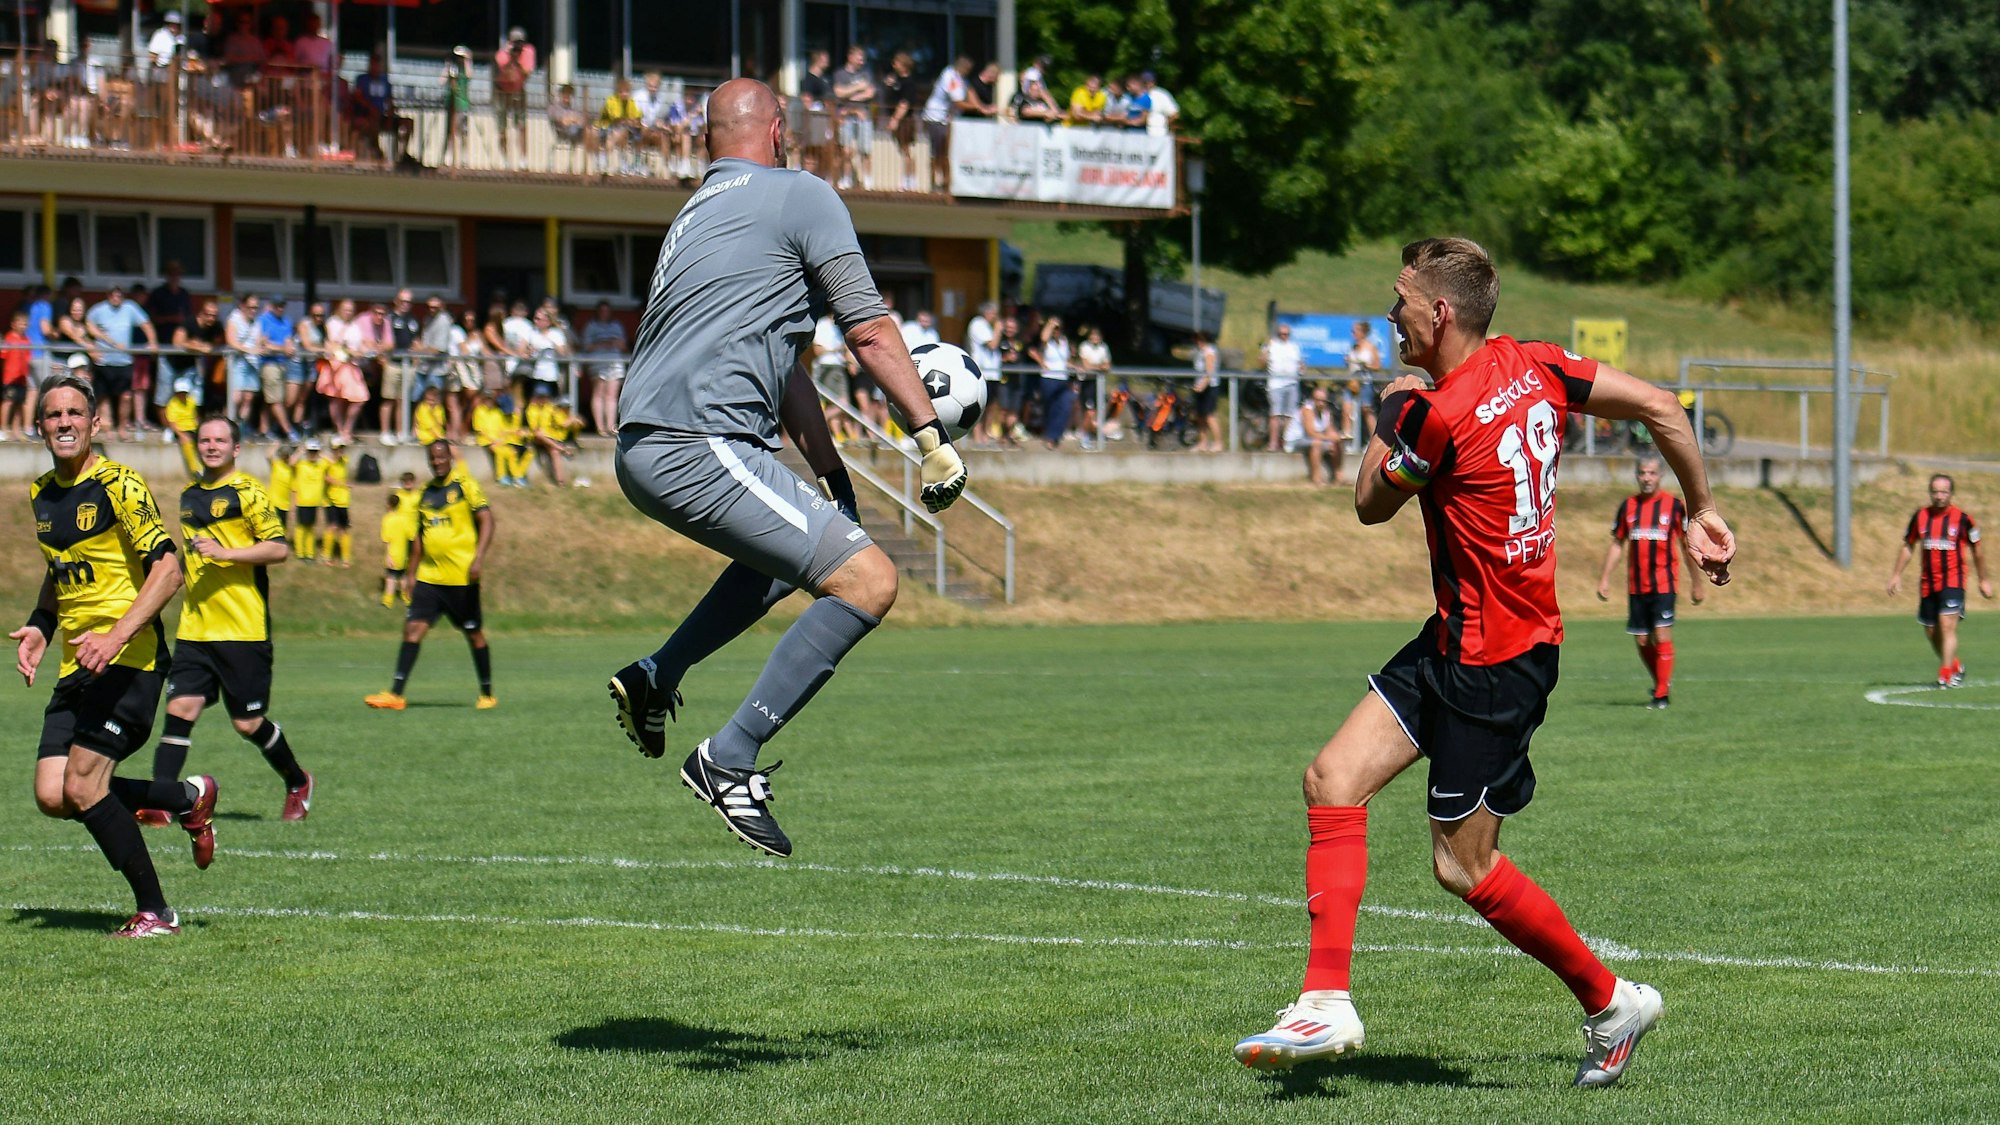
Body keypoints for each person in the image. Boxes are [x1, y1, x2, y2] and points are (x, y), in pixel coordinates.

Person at [1232, 237, 1736, 1088]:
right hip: (1460, 636)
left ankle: (1613, 1001)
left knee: (1462, 866)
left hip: (1494, 663)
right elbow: (1659, 405)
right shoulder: (1537, 364)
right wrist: (1703, 509)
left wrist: (1391, 411)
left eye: (1399, 299)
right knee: (1332, 779)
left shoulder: (1438, 413)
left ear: (1439, 312)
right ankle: (1325, 996)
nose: (1388, 313)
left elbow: (1367, 504)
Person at [606, 78, 966, 859]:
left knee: (790, 562)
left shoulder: (699, 213)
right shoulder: (801, 195)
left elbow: (788, 371)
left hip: (651, 444)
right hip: (696, 439)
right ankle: (727, 758)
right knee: (868, 581)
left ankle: (656, 675)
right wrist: (930, 434)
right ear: (777, 133)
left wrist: (832, 477)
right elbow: (869, 331)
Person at [13, 372, 203, 937]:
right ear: (40, 426)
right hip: (80, 663)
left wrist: (115, 635)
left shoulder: (121, 485)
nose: (64, 423)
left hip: (130, 659)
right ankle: (185, 797)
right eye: (53, 415)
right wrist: (41, 625)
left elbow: (171, 570)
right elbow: (59, 572)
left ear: (95, 424)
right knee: (54, 794)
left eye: (75, 413)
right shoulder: (42, 493)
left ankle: (157, 912)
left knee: (84, 785)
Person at [158, 416, 314, 822]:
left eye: (220, 440)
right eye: (205, 439)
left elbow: (279, 549)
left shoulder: (249, 492)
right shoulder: (189, 495)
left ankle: (298, 781)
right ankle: (161, 803)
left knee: (247, 723)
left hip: (242, 628)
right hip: (196, 626)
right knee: (181, 708)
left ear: (236, 448)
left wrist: (227, 554)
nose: (211, 446)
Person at [365, 441, 496, 710]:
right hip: (429, 578)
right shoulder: (424, 494)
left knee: (474, 634)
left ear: (449, 457)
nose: (437, 462)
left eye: (441, 457)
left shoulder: (464, 485)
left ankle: (487, 694)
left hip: (461, 578)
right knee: (412, 630)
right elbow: (419, 540)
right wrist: (411, 575)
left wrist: (479, 558)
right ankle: (396, 695)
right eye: (432, 459)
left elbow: (487, 520)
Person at [1595, 455, 1705, 706]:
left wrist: (1696, 583)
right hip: (1636, 586)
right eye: (1643, 473)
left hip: (1664, 584)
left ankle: (1661, 695)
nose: (1647, 478)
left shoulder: (1674, 506)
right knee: (1642, 640)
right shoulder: (1628, 506)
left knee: (1662, 635)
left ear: (1660, 476)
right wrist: (1604, 579)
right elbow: (1617, 544)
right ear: (1637, 475)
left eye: (1652, 473)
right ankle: (1661, 682)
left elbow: (1686, 545)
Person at [1887, 474, 1993, 687]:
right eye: (1935, 491)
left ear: (1951, 494)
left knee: (1947, 626)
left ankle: (1946, 675)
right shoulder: (1920, 517)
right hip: (1928, 583)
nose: (1939, 496)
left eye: (1944, 492)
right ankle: (1954, 664)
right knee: (1931, 631)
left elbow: (1977, 550)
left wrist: (1983, 580)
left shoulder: (1964, 519)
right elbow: (1908, 545)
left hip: (1953, 580)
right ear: (1930, 493)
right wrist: (1896, 574)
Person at [86, 286, 159, 441]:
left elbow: (146, 324)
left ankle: (122, 427)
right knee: (103, 396)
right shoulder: (99, 309)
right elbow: (88, 326)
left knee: (126, 396)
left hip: (124, 360)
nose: (115, 296)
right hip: (104, 361)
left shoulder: (130, 308)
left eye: (118, 294)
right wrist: (95, 345)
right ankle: (108, 427)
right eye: (112, 293)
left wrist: (152, 342)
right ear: (108, 295)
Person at [920, 55, 976, 192]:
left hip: (944, 119)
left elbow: (969, 92)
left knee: (944, 152)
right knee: (937, 151)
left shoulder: (959, 78)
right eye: (967, 70)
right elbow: (958, 102)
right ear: (962, 68)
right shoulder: (951, 76)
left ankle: (944, 183)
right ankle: (935, 182)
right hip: (935, 117)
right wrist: (977, 107)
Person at [831, 46, 877, 190]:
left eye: (863, 58)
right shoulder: (840, 74)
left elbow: (870, 92)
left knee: (866, 150)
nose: (861, 61)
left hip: (864, 116)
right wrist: (858, 88)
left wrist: (850, 94)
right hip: (846, 117)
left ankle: (868, 180)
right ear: (850, 57)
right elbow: (838, 93)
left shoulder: (866, 74)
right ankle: (846, 178)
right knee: (846, 149)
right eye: (859, 57)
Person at [581, 301, 628, 434]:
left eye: (606, 311)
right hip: (598, 362)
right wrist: (603, 343)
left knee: (612, 396)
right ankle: (600, 427)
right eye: (602, 311)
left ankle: (611, 426)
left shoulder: (617, 325)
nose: (604, 313)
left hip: (615, 361)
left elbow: (624, 346)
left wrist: (615, 343)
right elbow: (586, 346)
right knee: (599, 393)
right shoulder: (591, 326)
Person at [493, 28, 536, 169]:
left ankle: (523, 160)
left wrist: (517, 62)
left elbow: (527, 73)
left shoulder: (528, 52)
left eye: (521, 42)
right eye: (515, 42)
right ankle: (505, 159)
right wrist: (510, 56)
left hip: (518, 89)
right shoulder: (502, 53)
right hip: (501, 91)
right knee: (502, 127)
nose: (518, 46)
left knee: (521, 125)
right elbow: (502, 71)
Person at [1030, 315, 1075, 449]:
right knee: (1050, 408)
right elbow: (1043, 338)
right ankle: (1049, 436)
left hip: (1062, 378)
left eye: (1058, 328)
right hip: (1049, 378)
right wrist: (1050, 324)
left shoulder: (1064, 341)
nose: (1057, 331)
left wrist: (1074, 366)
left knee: (1064, 407)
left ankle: (1055, 435)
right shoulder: (1047, 342)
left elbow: (1065, 360)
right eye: (1055, 329)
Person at [380, 470, 421, 607]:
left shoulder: (418, 496)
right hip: (401, 534)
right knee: (401, 569)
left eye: (410, 481)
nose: (408, 484)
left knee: (410, 567)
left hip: (413, 533)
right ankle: (402, 596)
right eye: (405, 481)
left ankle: (407, 595)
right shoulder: (399, 495)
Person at [1260, 321, 1302, 453]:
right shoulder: (1272, 345)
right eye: (1282, 334)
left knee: (1289, 414)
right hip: (1275, 384)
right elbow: (1262, 363)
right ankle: (1273, 443)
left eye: (1287, 334)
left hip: (1292, 383)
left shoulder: (1294, 347)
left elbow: (1300, 363)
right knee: (1276, 414)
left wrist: (1301, 368)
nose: (1284, 336)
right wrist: (1266, 350)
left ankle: (1286, 442)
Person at [596, 76, 645, 175]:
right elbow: (616, 119)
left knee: (639, 132)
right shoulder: (611, 100)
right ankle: (604, 160)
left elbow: (638, 118)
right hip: (604, 127)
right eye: (622, 91)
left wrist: (632, 121)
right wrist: (629, 121)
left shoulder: (631, 102)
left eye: (627, 91)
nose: (625, 94)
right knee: (619, 133)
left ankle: (635, 163)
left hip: (622, 130)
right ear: (618, 92)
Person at [289, 440, 329, 560]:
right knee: (301, 527)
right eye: (311, 452)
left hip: (314, 502)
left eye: (314, 452)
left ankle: (310, 553)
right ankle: (300, 552)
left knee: (311, 528)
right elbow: (291, 462)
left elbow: (332, 461)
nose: (313, 454)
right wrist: (300, 451)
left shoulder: (321, 465)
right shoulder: (301, 464)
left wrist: (320, 452)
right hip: (302, 502)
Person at [1347, 319, 1383, 436]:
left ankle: (1375, 437)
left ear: (1362, 332)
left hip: (1366, 381)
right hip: (1353, 381)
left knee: (1366, 409)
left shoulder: (1371, 347)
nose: (1353, 334)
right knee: (1348, 407)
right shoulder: (1353, 347)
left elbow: (1377, 365)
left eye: (1355, 331)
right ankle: (1348, 436)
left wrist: (1366, 365)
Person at [322, 440, 353, 567]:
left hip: (343, 500)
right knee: (333, 526)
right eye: (337, 449)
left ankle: (346, 558)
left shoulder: (344, 460)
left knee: (344, 528)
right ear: (332, 450)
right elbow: (325, 477)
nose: (340, 452)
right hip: (330, 500)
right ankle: (326, 556)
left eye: (341, 449)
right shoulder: (326, 462)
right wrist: (341, 484)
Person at [1191, 331, 1223, 453]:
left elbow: (1210, 371)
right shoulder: (1200, 351)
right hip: (1200, 386)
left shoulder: (1210, 351)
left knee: (1210, 416)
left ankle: (1218, 443)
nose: (1198, 342)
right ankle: (1202, 442)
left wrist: (1202, 385)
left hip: (1210, 387)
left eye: (1201, 340)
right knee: (1200, 416)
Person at [2, 310, 30, 440]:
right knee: (8, 402)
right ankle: (3, 428)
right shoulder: (9, 338)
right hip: (10, 377)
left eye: (25, 324)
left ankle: (16, 429)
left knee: (19, 404)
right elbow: (3, 356)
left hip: (22, 378)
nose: (23, 326)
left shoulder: (27, 340)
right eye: (20, 323)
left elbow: (28, 358)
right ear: (13, 324)